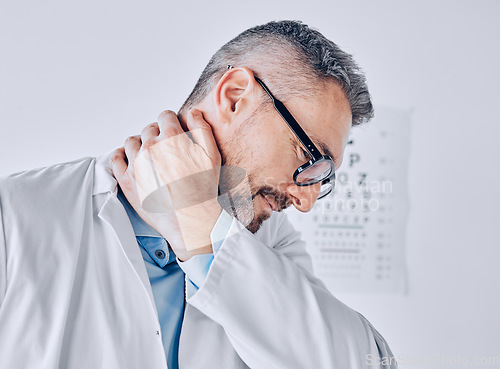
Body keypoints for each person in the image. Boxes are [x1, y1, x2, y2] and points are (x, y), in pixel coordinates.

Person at [0, 21, 397, 369]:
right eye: (310, 156)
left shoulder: (270, 241)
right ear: (235, 96)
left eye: (322, 180)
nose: (306, 201)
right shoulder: (14, 216)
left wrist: (199, 226)